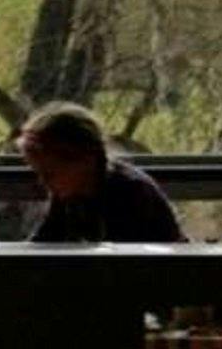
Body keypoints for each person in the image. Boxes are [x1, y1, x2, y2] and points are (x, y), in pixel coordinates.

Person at [16, 101, 184, 245]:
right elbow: (45, 243)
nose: (43, 182)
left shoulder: (129, 193)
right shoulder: (71, 195)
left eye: (50, 173)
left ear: (85, 160)